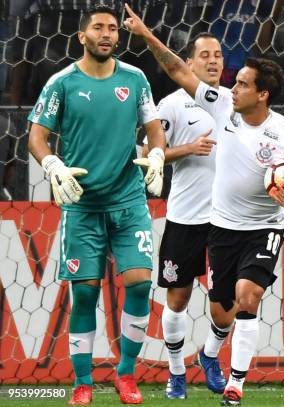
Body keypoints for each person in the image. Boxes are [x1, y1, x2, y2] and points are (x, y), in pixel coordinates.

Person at [123, 4, 284, 406]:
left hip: (257, 225)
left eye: (240, 82)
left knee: (238, 304)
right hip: (197, 218)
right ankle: (178, 372)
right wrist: (146, 34)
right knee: (186, 300)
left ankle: (229, 376)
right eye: (207, 56)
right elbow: (173, 76)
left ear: (261, 93)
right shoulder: (208, 104)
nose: (230, 83)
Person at [27, 5, 166, 405]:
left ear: (118, 37)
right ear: (82, 37)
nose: (106, 34)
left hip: (128, 200)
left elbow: (154, 129)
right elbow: (37, 137)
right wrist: (52, 164)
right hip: (83, 207)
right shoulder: (62, 83)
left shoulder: (135, 79)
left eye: (111, 28)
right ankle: (83, 383)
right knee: (84, 294)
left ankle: (126, 375)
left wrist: (157, 157)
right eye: (98, 28)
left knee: (140, 284)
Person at [140, 32, 228, 399]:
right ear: (188, 64)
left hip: (226, 221)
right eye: (204, 55)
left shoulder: (233, 101)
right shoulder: (173, 105)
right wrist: (187, 149)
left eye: (218, 54)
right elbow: (148, 153)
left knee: (225, 308)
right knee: (176, 301)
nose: (213, 61)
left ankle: (209, 355)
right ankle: (176, 373)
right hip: (184, 218)